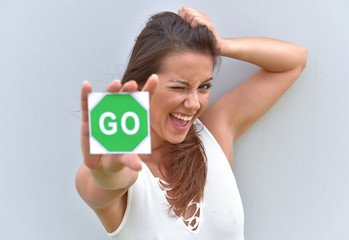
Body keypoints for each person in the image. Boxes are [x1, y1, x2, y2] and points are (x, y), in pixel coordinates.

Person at [76, 6, 307, 239]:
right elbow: (104, 182)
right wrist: (107, 173)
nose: (194, 103)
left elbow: (294, 61)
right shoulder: (120, 168)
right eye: (179, 87)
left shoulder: (213, 133)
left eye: (204, 86)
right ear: (144, 85)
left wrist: (221, 46)